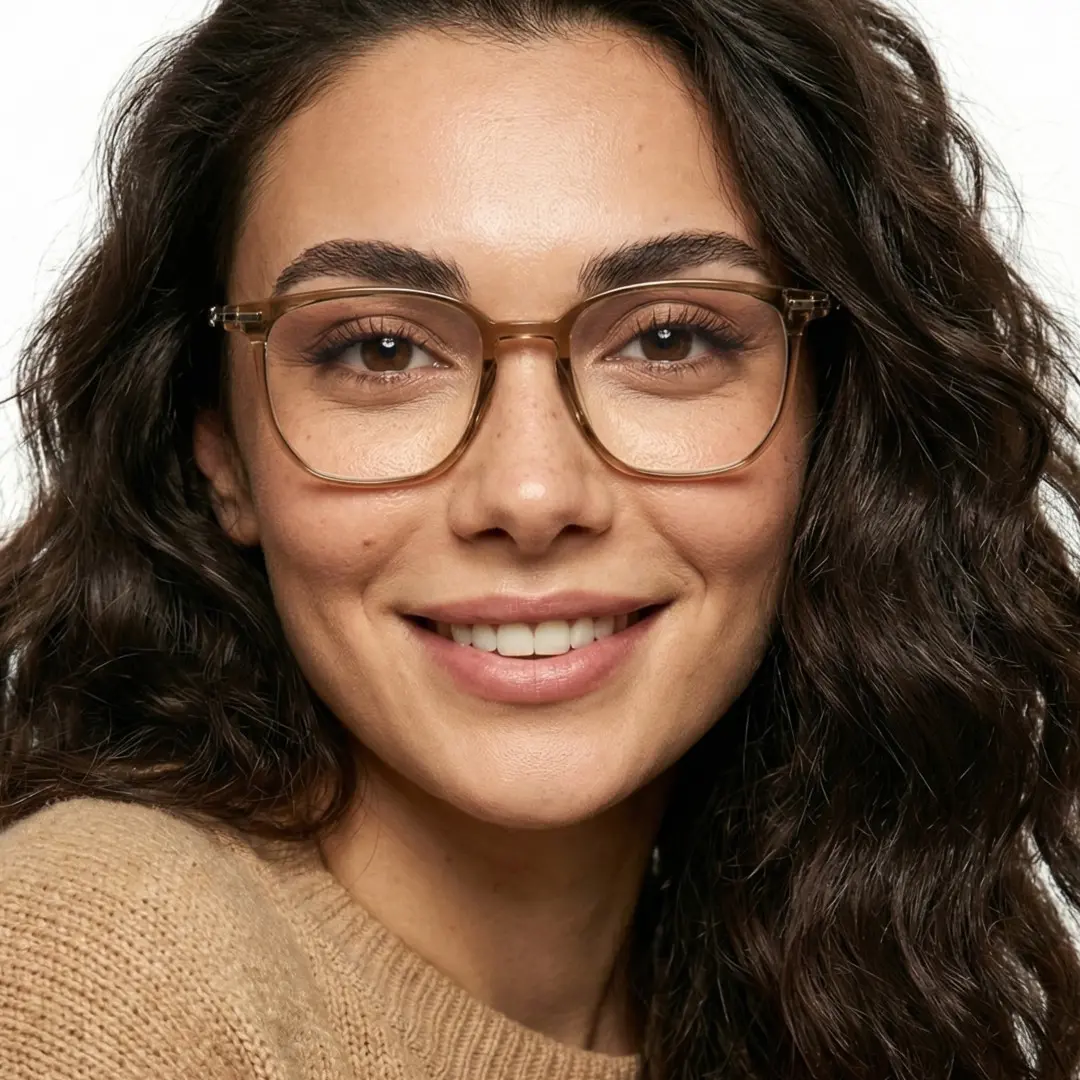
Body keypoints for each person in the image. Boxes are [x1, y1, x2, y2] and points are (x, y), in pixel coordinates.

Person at [2, 0, 1079, 1077]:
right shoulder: (99, 970)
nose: (528, 491)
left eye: (668, 338)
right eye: (380, 350)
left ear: (832, 423)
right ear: (220, 450)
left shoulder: (837, 990)